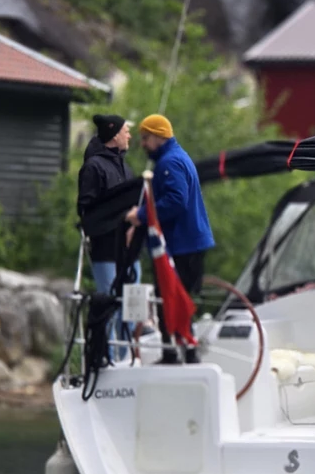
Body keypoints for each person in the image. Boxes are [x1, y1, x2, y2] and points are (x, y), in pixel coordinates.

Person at [124, 114, 215, 365]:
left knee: (172, 297)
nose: (142, 144)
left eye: (145, 138)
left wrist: (140, 216)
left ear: (157, 136)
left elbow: (176, 200)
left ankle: (173, 354)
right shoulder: (178, 157)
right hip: (191, 241)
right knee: (180, 298)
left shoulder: (168, 163)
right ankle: (186, 351)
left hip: (182, 244)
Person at [76, 113, 140, 360]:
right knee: (111, 307)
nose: (129, 135)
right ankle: (109, 360)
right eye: (126, 131)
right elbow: (87, 212)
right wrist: (122, 217)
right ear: (114, 134)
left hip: (129, 251)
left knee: (132, 309)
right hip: (105, 251)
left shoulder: (126, 167)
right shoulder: (93, 168)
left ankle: (128, 361)